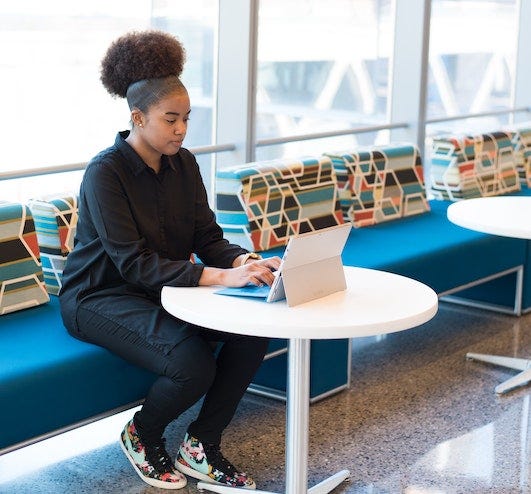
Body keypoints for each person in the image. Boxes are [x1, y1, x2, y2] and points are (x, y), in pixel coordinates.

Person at [59, 30, 280, 491]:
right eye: (171, 119)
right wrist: (223, 276)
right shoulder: (106, 173)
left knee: (251, 334)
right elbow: (134, 264)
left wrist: (247, 260)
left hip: (164, 290)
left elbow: (206, 236)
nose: (181, 129)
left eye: (187, 119)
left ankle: (201, 445)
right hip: (99, 297)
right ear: (138, 118)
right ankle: (143, 435)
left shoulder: (185, 164)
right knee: (192, 364)